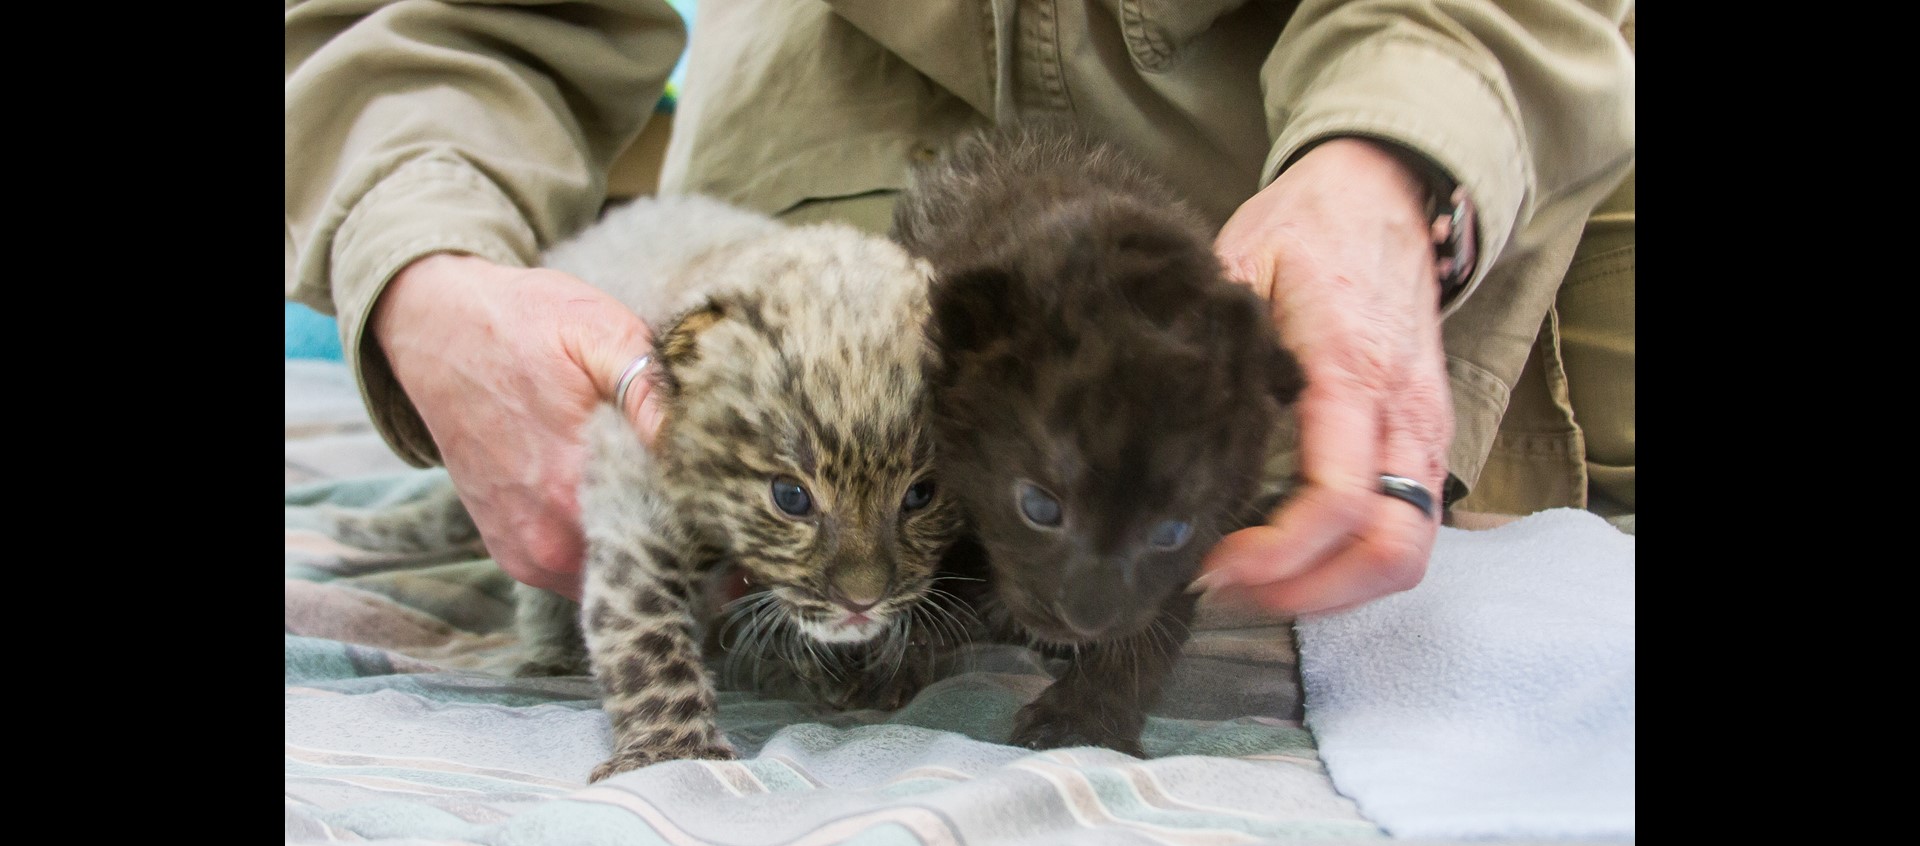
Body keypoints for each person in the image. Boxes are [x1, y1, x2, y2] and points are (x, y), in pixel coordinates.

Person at [285, 0, 1635, 615]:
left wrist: (1402, 159)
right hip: (827, 228)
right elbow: (439, 21)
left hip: (1389, 265)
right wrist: (422, 263)